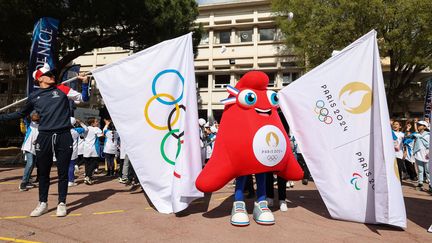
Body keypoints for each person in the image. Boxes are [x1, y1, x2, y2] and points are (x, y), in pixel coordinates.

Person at [0, 63, 89, 217]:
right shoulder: (34, 96)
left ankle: (62, 202)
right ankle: (43, 203)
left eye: (53, 74)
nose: (53, 76)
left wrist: (85, 84)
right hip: (45, 136)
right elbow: (21, 114)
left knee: (62, 172)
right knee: (43, 172)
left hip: (63, 135)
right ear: (40, 78)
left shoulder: (62, 88)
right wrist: (1, 117)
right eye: (49, 74)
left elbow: (83, 99)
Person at [19, 111, 39, 191]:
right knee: (30, 163)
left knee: (32, 164)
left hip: (35, 148)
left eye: (38, 115)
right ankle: (23, 183)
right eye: (35, 115)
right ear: (31, 116)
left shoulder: (41, 125)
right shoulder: (28, 123)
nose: (37, 116)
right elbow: (24, 115)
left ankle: (27, 181)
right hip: (28, 146)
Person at [83, 117, 103, 185]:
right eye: (96, 122)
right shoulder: (96, 129)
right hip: (93, 148)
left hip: (86, 148)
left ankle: (87, 177)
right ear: (92, 123)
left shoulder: (85, 129)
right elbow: (101, 136)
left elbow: (81, 137)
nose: (98, 123)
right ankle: (88, 176)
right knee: (94, 163)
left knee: (87, 163)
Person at [69, 117, 88, 187]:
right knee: (71, 166)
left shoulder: (62, 130)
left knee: (65, 166)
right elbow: (86, 129)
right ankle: (70, 181)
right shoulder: (76, 130)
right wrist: (80, 122)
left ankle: (66, 180)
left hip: (63, 150)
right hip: (73, 150)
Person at [412, 120, 430, 192]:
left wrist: (429, 153)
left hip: (427, 155)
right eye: (418, 124)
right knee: (420, 170)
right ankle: (420, 183)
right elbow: (408, 137)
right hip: (418, 154)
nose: (419, 126)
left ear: (425, 127)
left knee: (428, 170)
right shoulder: (416, 134)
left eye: (420, 125)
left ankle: (430, 184)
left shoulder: (428, 135)